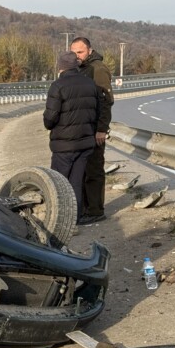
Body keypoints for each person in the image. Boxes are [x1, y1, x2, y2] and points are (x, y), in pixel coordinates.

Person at [43, 51, 100, 223]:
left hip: (63, 145)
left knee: (59, 182)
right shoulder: (90, 84)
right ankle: (76, 217)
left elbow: (50, 119)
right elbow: (96, 112)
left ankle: (60, 219)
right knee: (76, 181)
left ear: (60, 67)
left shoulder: (58, 86)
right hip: (84, 143)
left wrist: (48, 124)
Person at [70, 37, 113, 225]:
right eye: (73, 52)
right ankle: (87, 208)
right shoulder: (81, 68)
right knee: (84, 170)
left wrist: (101, 129)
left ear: (89, 50)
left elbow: (106, 102)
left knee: (94, 169)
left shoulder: (98, 69)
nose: (76, 56)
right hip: (84, 128)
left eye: (80, 52)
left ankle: (96, 211)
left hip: (95, 129)